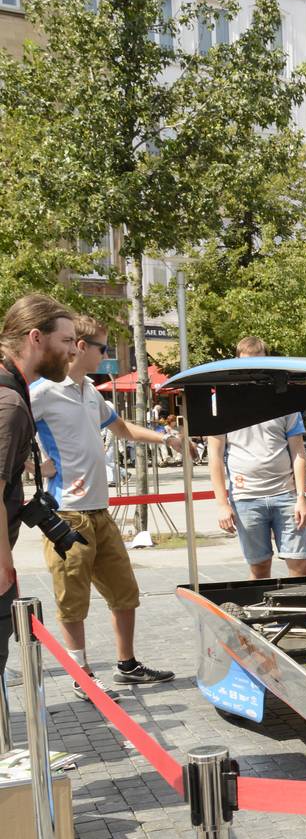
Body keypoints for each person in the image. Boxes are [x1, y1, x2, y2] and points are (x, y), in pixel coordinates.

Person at [30, 315, 181, 695]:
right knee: (72, 598)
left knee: (124, 592)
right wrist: (33, 465)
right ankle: (81, 677)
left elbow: (122, 428)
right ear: (79, 347)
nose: (107, 355)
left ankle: (126, 664)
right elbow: (8, 432)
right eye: (102, 347)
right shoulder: (43, 391)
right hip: (67, 513)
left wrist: (166, 439)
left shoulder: (90, 392)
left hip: (100, 510)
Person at [0, 295, 79, 683]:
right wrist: (3, 567)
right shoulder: (10, 403)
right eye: (65, 341)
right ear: (35, 337)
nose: (72, 351)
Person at [208, 335, 306, 580]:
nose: (253, 373)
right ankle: (261, 616)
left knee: (299, 564)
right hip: (246, 497)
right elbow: (215, 454)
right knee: (259, 567)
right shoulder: (220, 403)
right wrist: (222, 503)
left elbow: (298, 451)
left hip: (284, 495)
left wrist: (301, 497)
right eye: (246, 366)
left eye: (259, 366)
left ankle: (301, 615)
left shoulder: (284, 400)